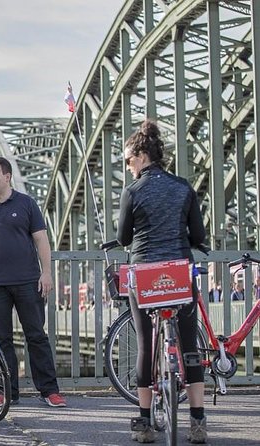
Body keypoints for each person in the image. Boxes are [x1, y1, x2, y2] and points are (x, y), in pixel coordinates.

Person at [117, 120, 207, 444]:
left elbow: (123, 236)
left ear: (141, 156)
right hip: (179, 272)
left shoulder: (133, 191)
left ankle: (144, 423)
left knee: (146, 345)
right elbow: (198, 235)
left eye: (128, 161)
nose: (128, 168)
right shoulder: (183, 187)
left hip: (144, 276)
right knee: (189, 346)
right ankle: (197, 422)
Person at [0, 156, 66, 408]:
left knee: (36, 336)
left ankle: (49, 391)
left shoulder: (27, 204)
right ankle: (6, 393)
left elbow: (41, 240)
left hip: (28, 281)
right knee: (0, 340)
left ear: (7, 177)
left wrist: (47, 272)